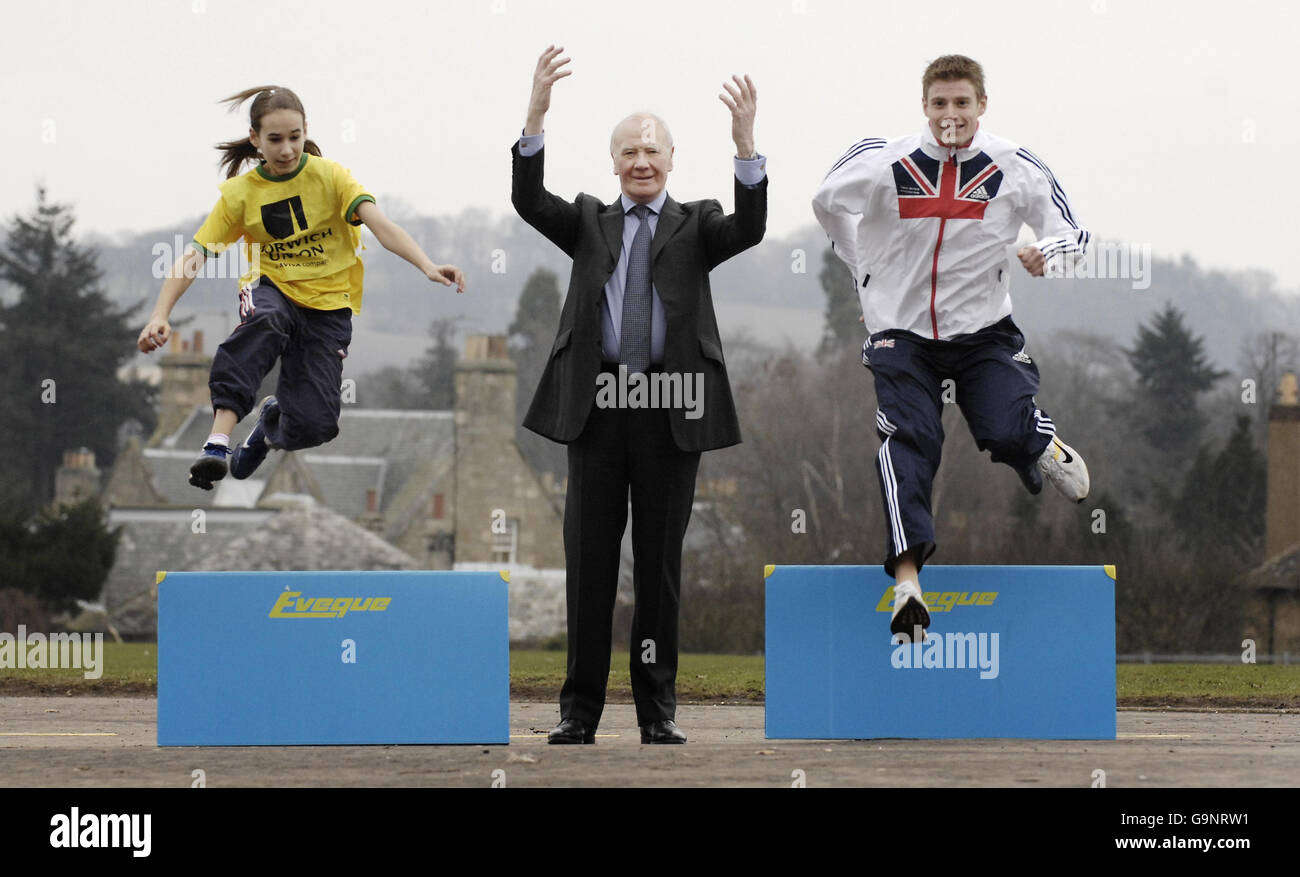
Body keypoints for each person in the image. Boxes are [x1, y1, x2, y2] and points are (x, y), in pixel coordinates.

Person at [512, 46, 767, 744]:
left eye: (651, 150)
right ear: (615, 161)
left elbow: (749, 228)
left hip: (670, 408)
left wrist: (746, 145)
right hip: (597, 408)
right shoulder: (590, 221)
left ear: (672, 158)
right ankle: (579, 712)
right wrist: (536, 112)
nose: (640, 161)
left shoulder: (698, 223)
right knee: (589, 564)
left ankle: (657, 712)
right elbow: (529, 199)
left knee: (658, 567)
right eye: (628, 151)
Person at [812, 54, 1091, 639]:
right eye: (939, 103)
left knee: (1005, 428)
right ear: (924, 106)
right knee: (910, 439)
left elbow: (1071, 228)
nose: (950, 115)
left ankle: (1039, 443)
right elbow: (826, 201)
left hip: (982, 332)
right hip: (901, 335)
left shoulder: (1014, 164)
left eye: (962, 103)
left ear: (981, 105)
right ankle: (908, 583)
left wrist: (1051, 253)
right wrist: (861, 269)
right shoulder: (882, 159)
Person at [137, 85, 465, 489]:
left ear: (306, 129)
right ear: (256, 139)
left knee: (317, 425)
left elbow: (382, 226)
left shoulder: (331, 178)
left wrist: (427, 265)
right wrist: (160, 314)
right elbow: (195, 255)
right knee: (268, 320)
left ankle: (269, 426)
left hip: (328, 308)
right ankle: (218, 442)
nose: (287, 149)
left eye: (294, 137)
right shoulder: (240, 196)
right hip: (271, 286)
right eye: (275, 140)